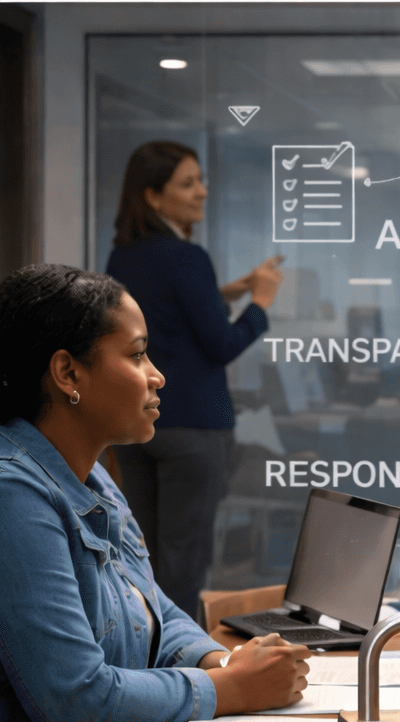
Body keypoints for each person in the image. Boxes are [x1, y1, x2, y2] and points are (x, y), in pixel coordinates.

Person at [0, 264, 309, 722]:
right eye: (138, 354)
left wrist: (218, 662)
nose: (157, 375)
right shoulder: (12, 495)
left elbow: (155, 612)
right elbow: (77, 702)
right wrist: (229, 691)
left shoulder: (89, 472)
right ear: (68, 374)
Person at [105, 141, 284, 619]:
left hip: (138, 426)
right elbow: (221, 345)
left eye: (200, 180)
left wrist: (225, 290)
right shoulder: (188, 257)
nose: (202, 192)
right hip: (194, 429)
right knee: (184, 565)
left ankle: (147, 658)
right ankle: (182, 672)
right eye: (188, 183)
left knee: (144, 559)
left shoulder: (124, 257)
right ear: (153, 196)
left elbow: (166, 315)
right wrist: (261, 303)